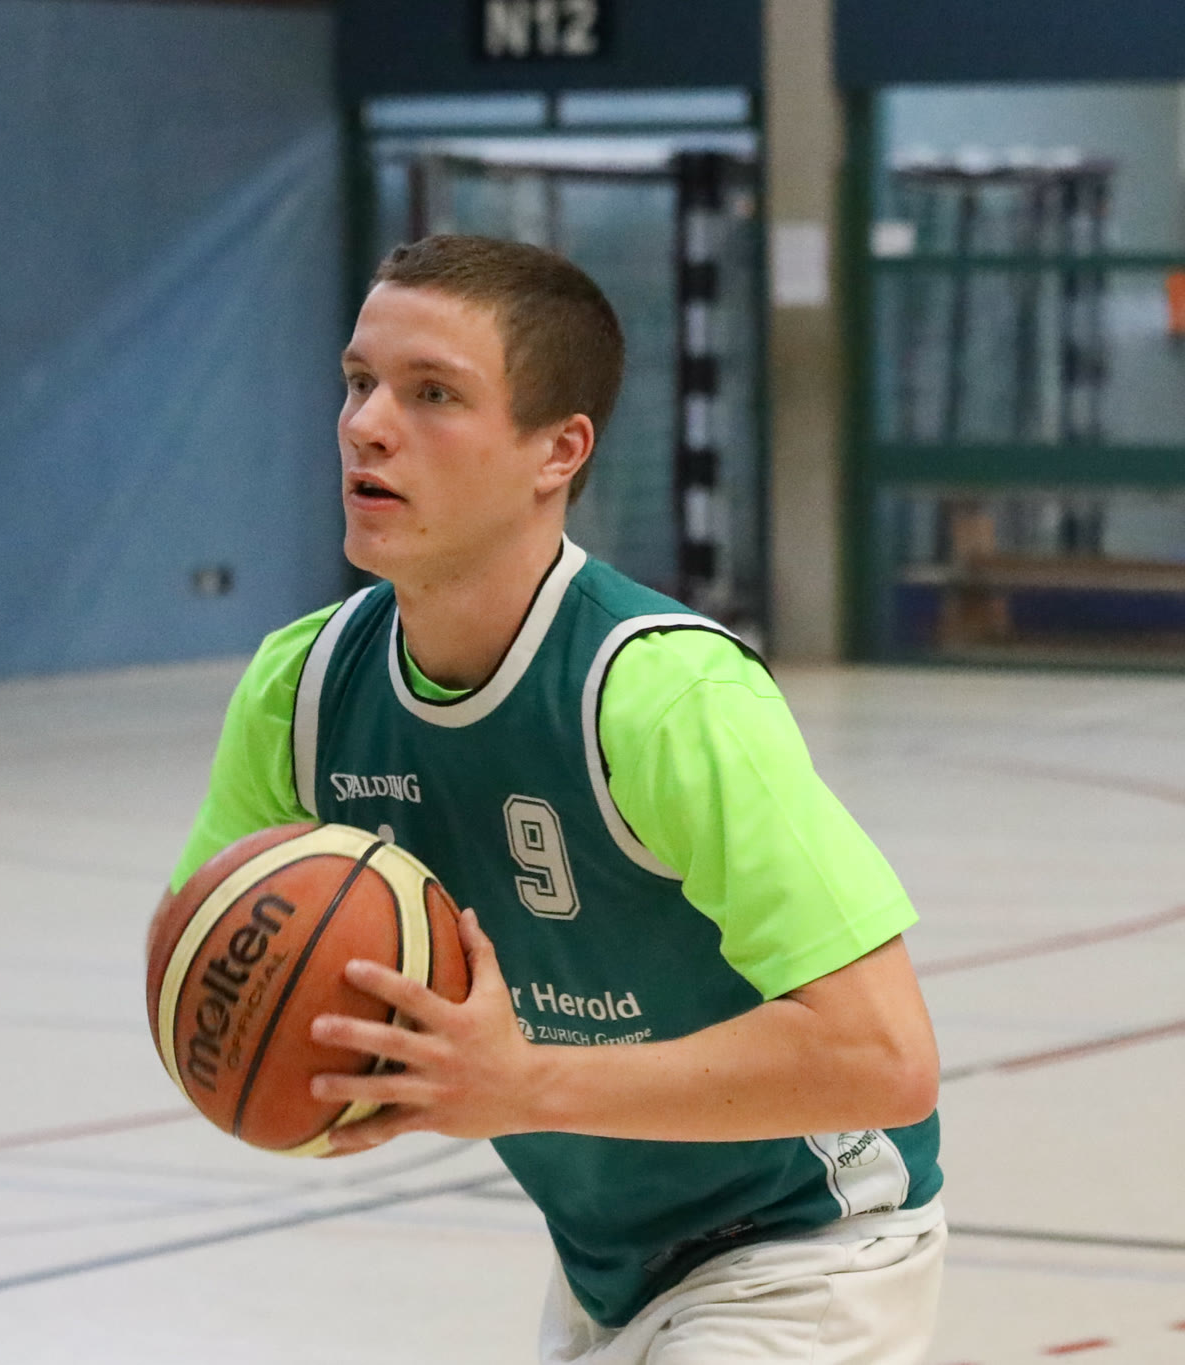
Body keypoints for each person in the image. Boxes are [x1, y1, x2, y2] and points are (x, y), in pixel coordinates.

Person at [170, 235, 944, 1363]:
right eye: (358, 381)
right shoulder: (302, 693)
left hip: (808, 1247)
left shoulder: (661, 694)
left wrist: (521, 1082)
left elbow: (886, 1059)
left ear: (557, 450)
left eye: (432, 393)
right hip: (603, 1273)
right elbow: (210, 967)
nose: (367, 425)